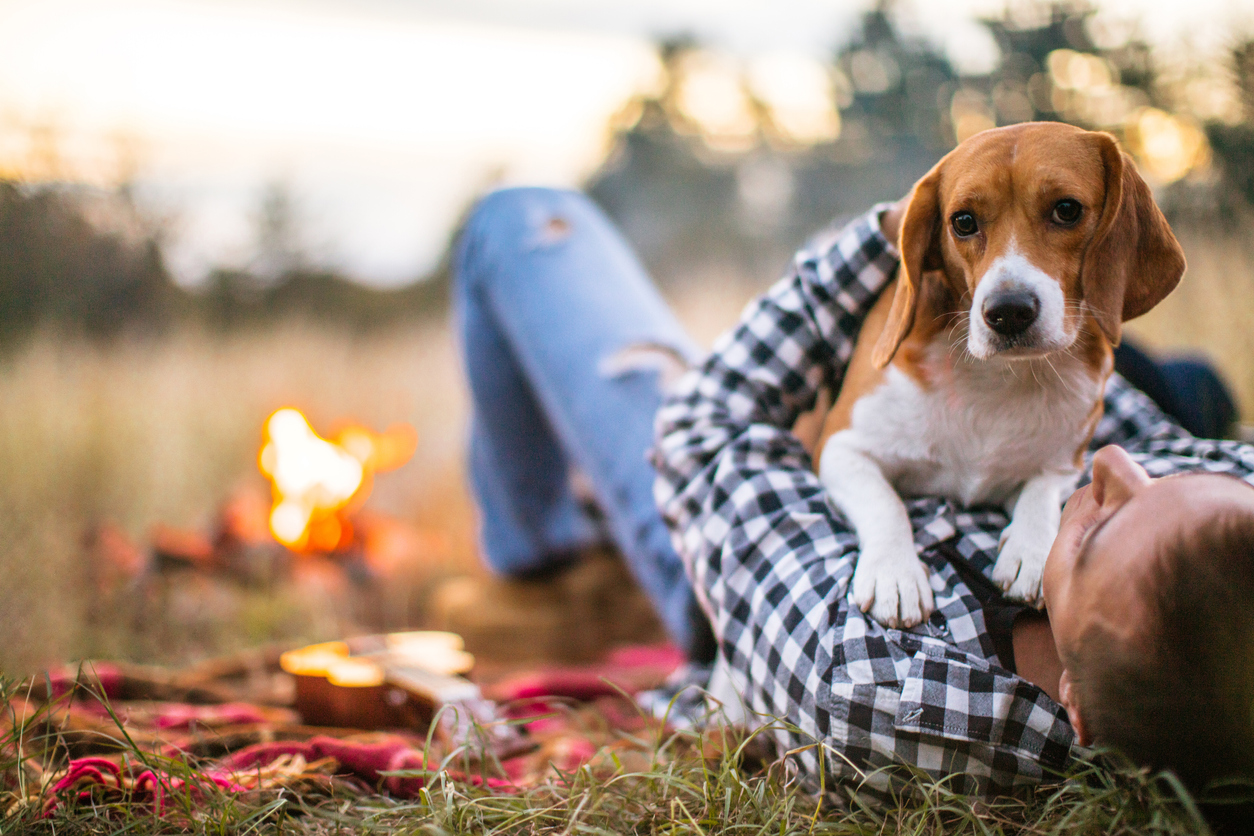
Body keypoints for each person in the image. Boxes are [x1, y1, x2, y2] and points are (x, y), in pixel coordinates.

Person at [451, 186, 1254, 804]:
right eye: (1188, 482)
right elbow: (1121, 422)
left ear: (1072, 703)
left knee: (520, 220)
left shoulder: (873, 680)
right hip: (935, 422)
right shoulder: (1196, 567)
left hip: (728, 557)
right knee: (1190, 390)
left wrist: (892, 234)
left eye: (1101, 531)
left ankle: (548, 557)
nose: (1114, 466)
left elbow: (704, 432)